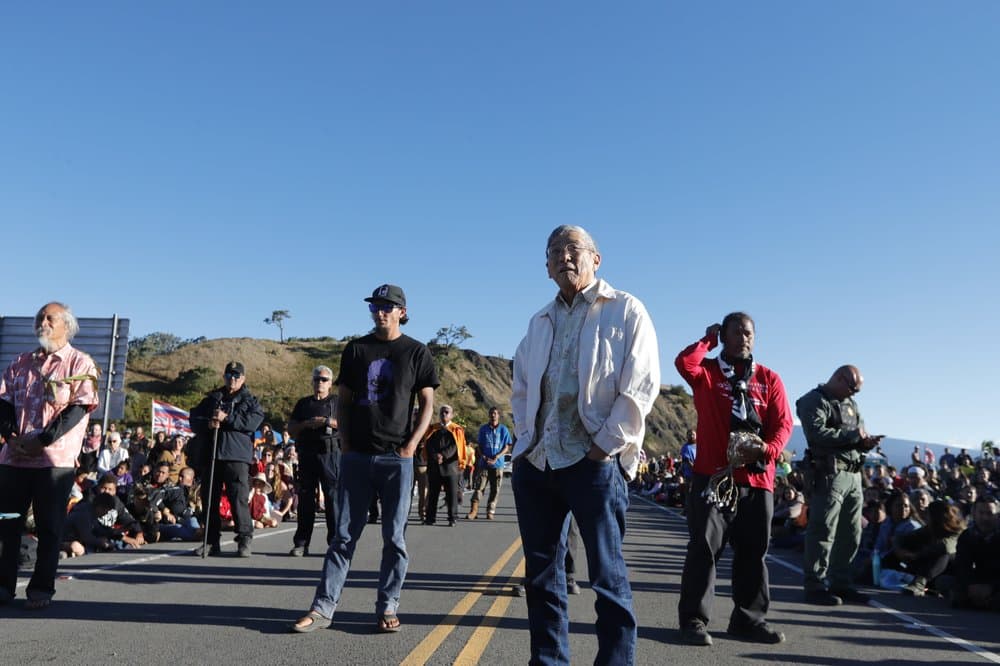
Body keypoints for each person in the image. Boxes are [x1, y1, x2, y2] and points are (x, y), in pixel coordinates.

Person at [511, 225, 660, 664]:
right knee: (541, 580)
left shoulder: (625, 310)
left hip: (592, 464)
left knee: (607, 578)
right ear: (546, 267)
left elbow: (641, 385)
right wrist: (525, 440)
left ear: (597, 258)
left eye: (573, 248)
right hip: (538, 465)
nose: (564, 256)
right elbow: (520, 387)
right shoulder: (539, 322)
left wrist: (604, 447)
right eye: (554, 251)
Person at [292, 283, 437, 635]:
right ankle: (322, 608)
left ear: (402, 311)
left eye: (388, 306)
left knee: (394, 539)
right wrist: (345, 445)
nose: (380, 312)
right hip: (356, 457)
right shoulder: (356, 349)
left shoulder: (417, 352)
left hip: (396, 459)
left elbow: (427, 405)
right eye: (375, 306)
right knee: (343, 536)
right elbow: (343, 399)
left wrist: (411, 446)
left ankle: (388, 605)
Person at [676, 313, 793, 646]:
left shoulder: (769, 379)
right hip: (713, 478)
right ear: (723, 336)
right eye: (738, 332)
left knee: (754, 552)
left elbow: (783, 423)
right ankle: (693, 621)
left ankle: (748, 620)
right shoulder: (708, 373)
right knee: (704, 549)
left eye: (750, 333)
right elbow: (685, 363)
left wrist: (768, 450)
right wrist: (706, 341)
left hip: (757, 481)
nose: (745, 338)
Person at [0, 302, 100, 609]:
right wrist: (11, 436)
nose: (42, 322)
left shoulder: (80, 363)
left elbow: (78, 408)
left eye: (49, 318)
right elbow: (3, 401)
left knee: (49, 526)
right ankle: (3, 587)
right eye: (39, 318)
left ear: (66, 326)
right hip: (14, 458)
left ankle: (40, 589)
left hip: (53, 461)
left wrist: (42, 440)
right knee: (7, 524)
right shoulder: (20, 362)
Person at [798, 365, 884, 606]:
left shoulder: (850, 405)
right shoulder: (814, 400)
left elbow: (857, 432)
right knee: (823, 529)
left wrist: (865, 442)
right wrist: (854, 437)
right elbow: (816, 433)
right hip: (830, 472)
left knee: (851, 533)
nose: (854, 394)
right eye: (852, 388)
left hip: (853, 474)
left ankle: (841, 582)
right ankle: (815, 584)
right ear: (838, 378)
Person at [189, 360, 265, 558]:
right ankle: (211, 541)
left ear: (243, 379)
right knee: (209, 499)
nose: (232, 379)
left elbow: (251, 423)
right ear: (224, 377)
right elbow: (193, 418)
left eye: (237, 375)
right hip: (212, 454)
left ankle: (244, 539)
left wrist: (226, 418)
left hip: (236, 456)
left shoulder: (250, 401)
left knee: (238, 499)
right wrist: (209, 423)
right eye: (229, 375)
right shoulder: (213, 398)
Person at [287, 365, 340, 557]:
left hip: (330, 455)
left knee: (333, 501)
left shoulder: (337, 402)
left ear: (330, 383)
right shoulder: (303, 404)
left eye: (324, 379)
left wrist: (327, 422)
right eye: (317, 379)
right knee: (305, 500)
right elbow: (291, 428)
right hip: (307, 454)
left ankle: (334, 543)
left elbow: (349, 424)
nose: (320, 382)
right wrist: (306, 424)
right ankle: (301, 543)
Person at [950, 495, 1000, 610]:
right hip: (976, 581)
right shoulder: (967, 536)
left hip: (995, 583)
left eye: (989, 514)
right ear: (974, 514)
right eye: (981, 513)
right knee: (945, 582)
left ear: (997, 516)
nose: (985, 518)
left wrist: (991, 587)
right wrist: (971, 585)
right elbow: (962, 565)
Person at [468, 407, 513, 520]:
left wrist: (497, 456)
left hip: (497, 464)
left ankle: (490, 511)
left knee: (495, 489)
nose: (493, 415)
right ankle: (474, 510)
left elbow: (507, 446)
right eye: (491, 413)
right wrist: (483, 456)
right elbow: (479, 445)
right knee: (479, 487)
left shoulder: (503, 430)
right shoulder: (484, 429)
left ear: (498, 415)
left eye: (495, 413)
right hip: (484, 464)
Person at [422, 405, 464, 526]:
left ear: (452, 415)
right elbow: (428, 444)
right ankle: (430, 518)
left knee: (451, 494)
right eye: (442, 412)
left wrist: (443, 455)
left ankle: (452, 518)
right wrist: (435, 455)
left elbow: (456, 446)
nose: (444, 414)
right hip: (434, 467)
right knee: (433, 494)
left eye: (446, 412)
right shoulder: (433, 429)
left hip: (450, 467)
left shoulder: (457, 430)